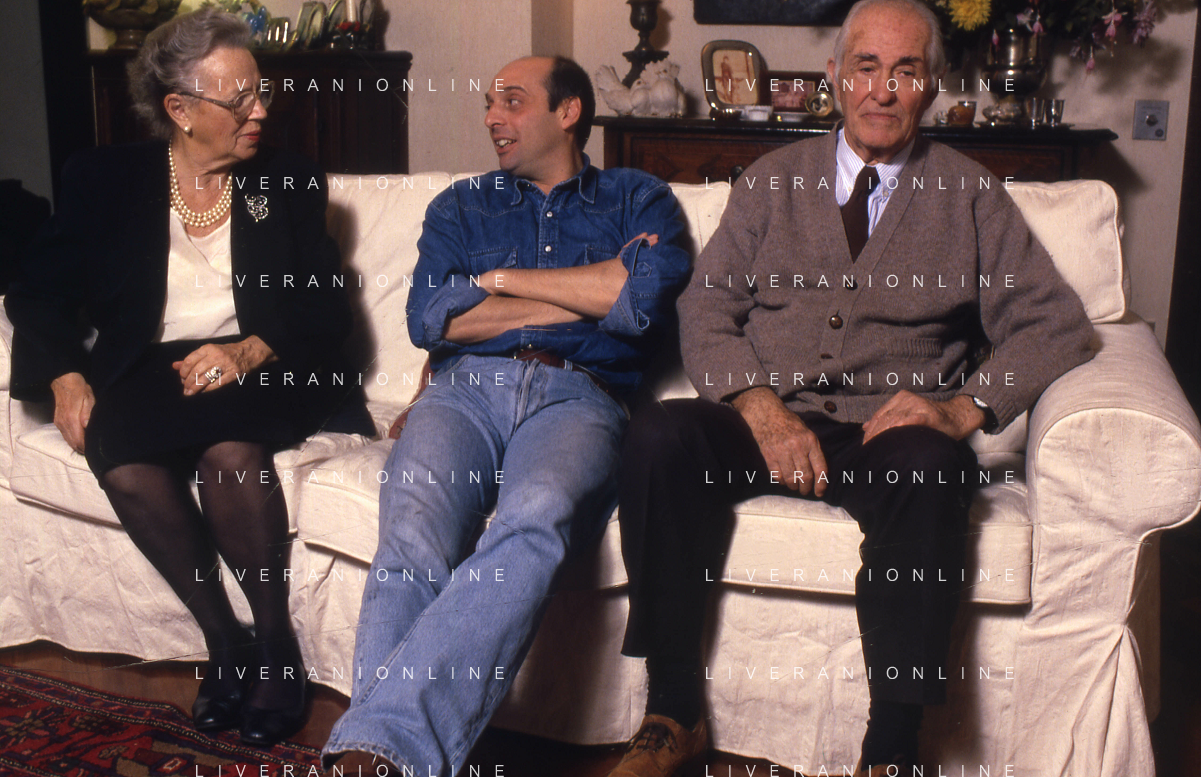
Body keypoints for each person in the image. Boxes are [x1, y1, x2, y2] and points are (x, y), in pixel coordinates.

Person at [605, 1, 1096, 776]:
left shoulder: (970, 195)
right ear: (834, 77)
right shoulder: (770, 182)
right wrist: (757, 405)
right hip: (768, 418)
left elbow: (1058, 324)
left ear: (930, 87)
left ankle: (890, 749)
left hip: (884, 438)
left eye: (905, 71)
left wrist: (960, 408)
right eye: (866, 67)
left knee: (931, 467)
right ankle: (671, 713)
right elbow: (704, 308)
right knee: (660, 436)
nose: (882, 89)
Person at [5, 8, 374, 747]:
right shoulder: (106, 179)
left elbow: (323, 308)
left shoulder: (282, 181)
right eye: (240, 99)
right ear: (179, 108)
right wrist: (66, 373)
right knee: (117, 446)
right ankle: (224, 640)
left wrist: (248, 351)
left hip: (270, 362)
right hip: (155, 365)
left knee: (229, 451)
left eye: (261, 92)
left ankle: (276, 646)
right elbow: (37, 288)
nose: (260, 110)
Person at [322, 56, 690, 776]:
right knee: (413, 524)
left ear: (568, 112)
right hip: (462, 390)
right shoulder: (461, 206)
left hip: (579, 396)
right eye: (488, 103)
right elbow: (432, 319)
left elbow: (640, 303)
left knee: (538, 513)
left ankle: (373, 749)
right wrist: (588, 294)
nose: (493, 117)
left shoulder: (637, 197)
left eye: (512, 101)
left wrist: (496, 284)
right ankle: (385, 756)